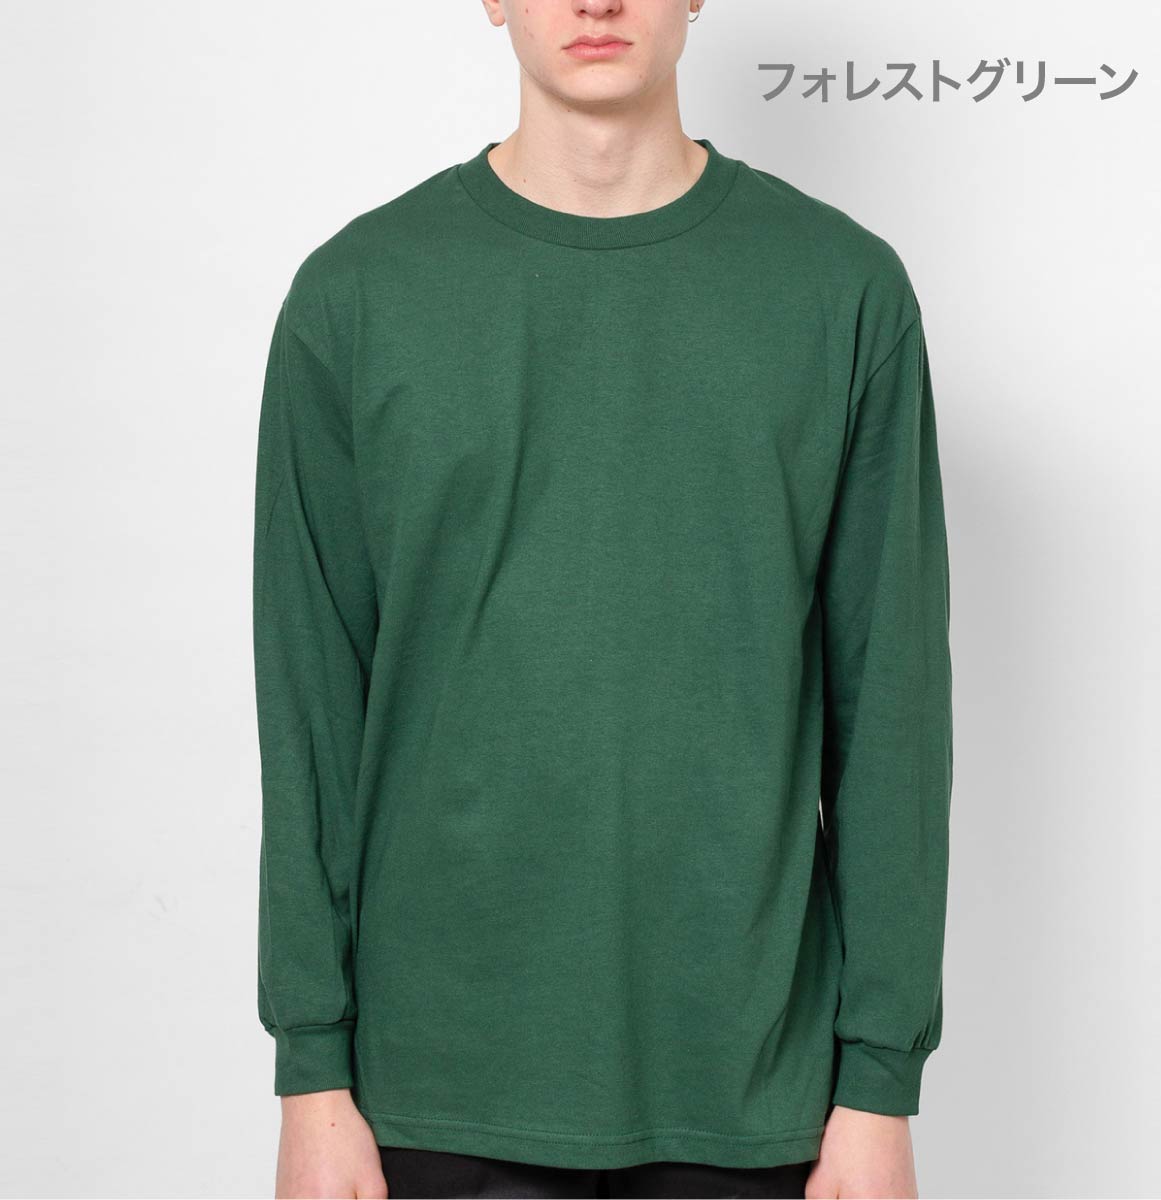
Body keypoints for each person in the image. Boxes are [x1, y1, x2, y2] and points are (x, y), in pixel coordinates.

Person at [251, 0, 954, 1196]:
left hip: (753, 1091)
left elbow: (891, 712)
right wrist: (311, 1072)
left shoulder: (841, 290)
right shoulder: (356, 297)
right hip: (434, 1085)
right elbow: (311, 709)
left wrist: (879, 1085)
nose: (596, 1)